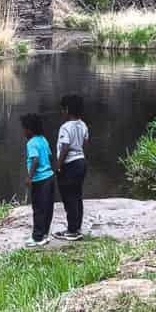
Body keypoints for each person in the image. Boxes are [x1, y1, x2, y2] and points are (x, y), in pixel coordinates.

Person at [54, 93, 89, 240]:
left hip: (69, 165)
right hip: (81, 162)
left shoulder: (65, 127)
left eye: (63, 109)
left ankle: (72, 231)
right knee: (77, 196)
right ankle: (76, 226)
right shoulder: (83, 125)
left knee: (69, 197)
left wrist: (58, 165)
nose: (62, 112)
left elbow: (65, 146)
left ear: (67, 110)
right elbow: (86, 142)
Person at [21, 112, 54, 247]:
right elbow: (50, 156)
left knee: (39, 209)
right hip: (50, 178)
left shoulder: (31, 143)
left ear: (29, 129)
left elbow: (35, 159)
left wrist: (29, 177)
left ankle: (37, 237)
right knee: (47, 208)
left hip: (40, 180)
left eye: (23, 128)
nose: (23, 131)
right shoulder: (43, 140)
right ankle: (45, 234)